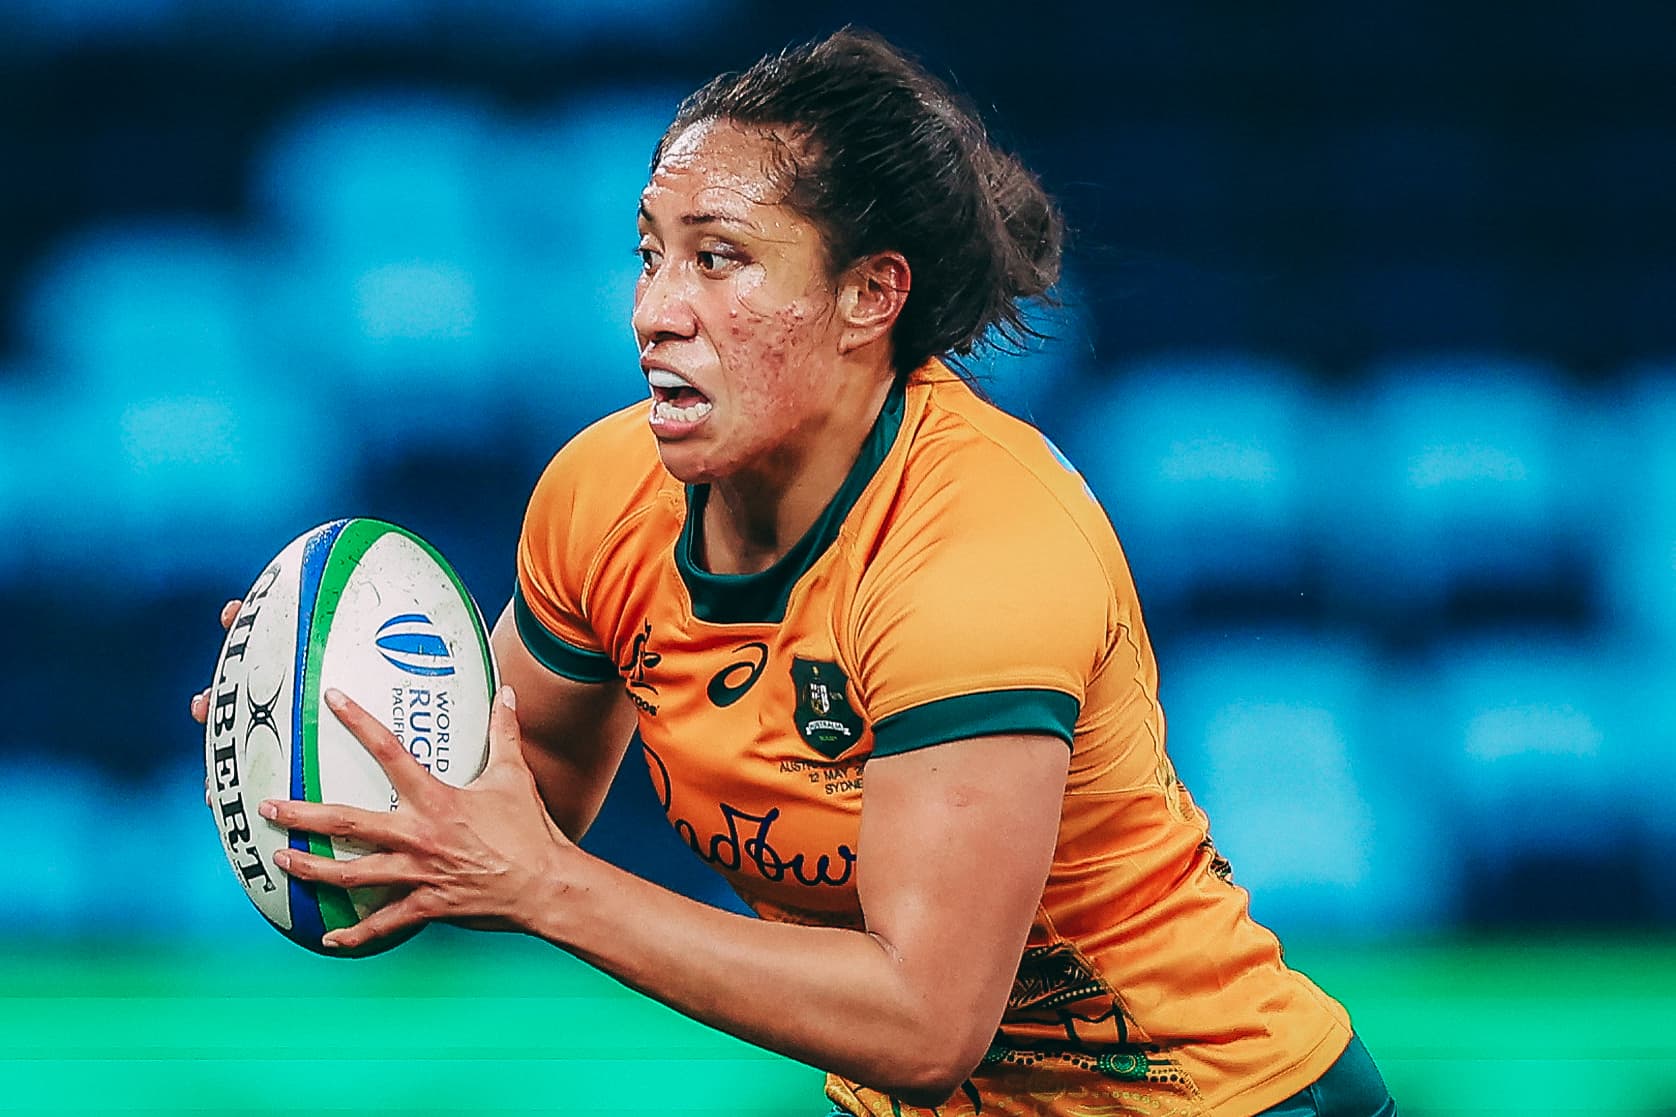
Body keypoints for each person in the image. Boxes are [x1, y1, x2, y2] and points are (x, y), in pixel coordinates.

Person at [193, 28, 1395, 1117]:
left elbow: (924, 1022)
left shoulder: (975, 553)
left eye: (719, 260)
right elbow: (506, 809)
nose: (654, 311)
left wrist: (546, 887)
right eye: (649, 254)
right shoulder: (602, 498)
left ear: (869, 294)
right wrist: (309, 726)